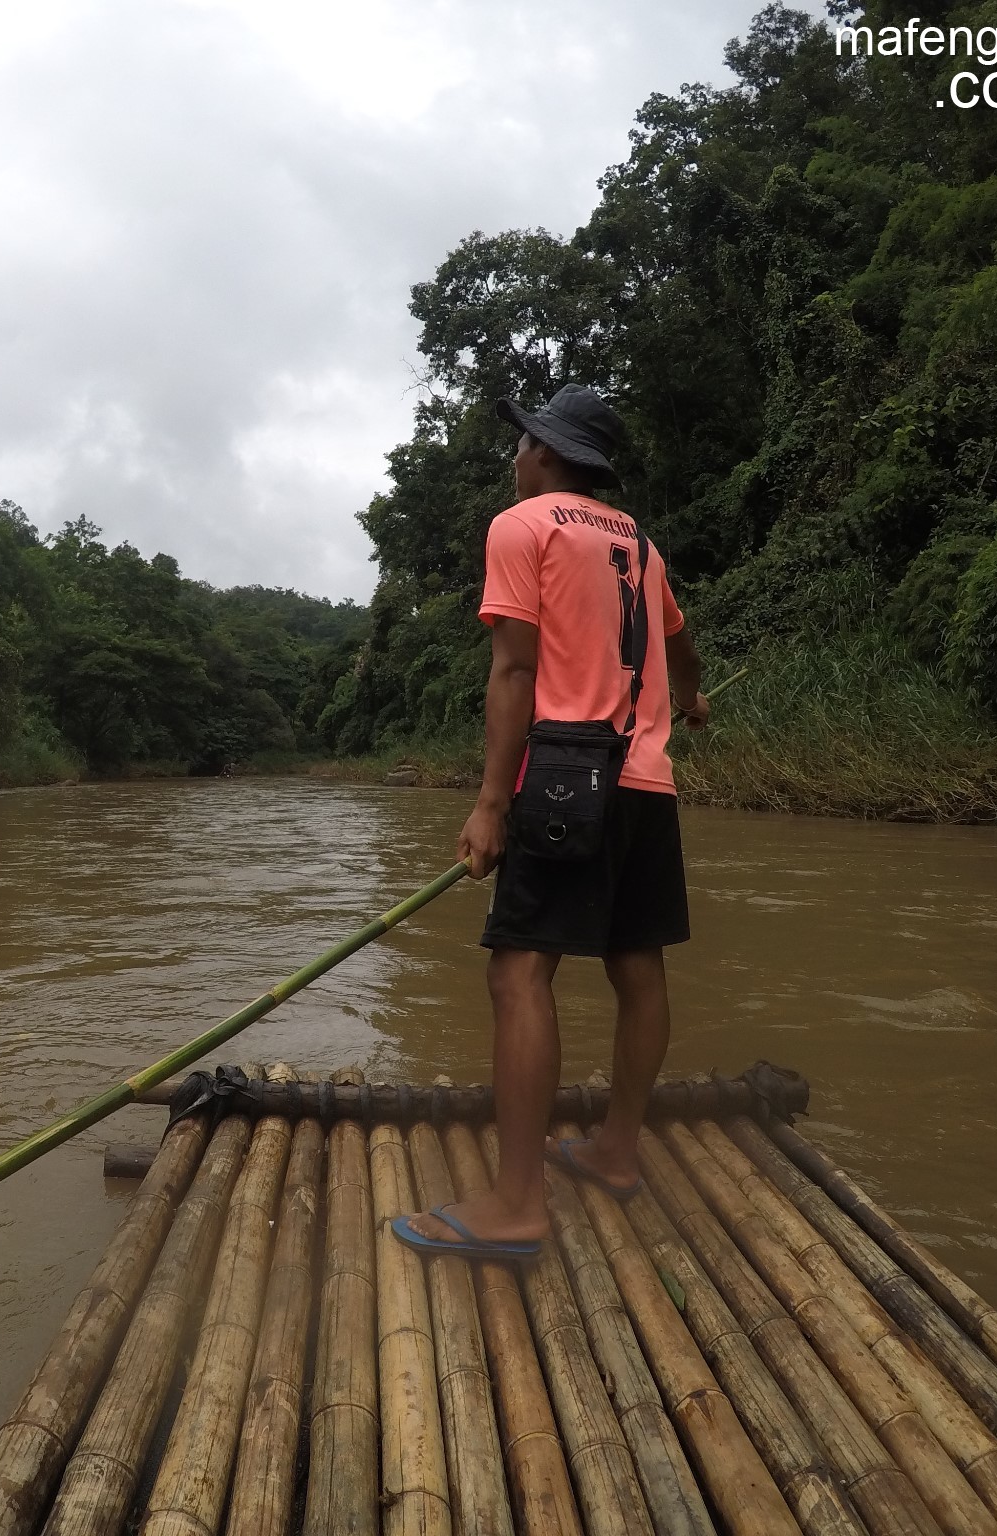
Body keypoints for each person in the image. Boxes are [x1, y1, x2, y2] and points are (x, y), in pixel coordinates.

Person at [395, 384, 708, 1257]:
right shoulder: (639, 541)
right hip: (647, 784)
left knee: (519, 976)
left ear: (543, 450)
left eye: (522, 441)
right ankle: (615, 1150)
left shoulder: (523, 524)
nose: (516, 456)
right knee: (636, 965)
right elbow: (679, 639)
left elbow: (512, 673)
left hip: (566, 779)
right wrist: (690, 696)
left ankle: (517, 1204)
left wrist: (492, 804)